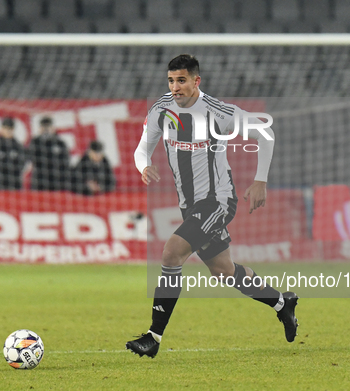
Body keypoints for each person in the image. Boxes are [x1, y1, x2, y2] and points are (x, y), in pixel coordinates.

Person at [126, 54, 299, 358]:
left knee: (171, 252)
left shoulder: (217, 112)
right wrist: (144, 166)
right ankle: (283, 304)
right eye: (171, 80)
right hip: (189, 205)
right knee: (224, 271)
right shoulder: (160, 110)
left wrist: (261, 180)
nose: (175, 87)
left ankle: (153, 337)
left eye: (181, 80)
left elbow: (264, 133)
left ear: (196, 81)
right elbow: (142, 149)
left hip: (218, 200)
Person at [27, 116, 71, 191]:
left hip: (57, 181)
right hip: (40, 181)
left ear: (53, 128)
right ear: (40, 128)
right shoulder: (34, 142)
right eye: (44, 127)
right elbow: (31, 159)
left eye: (48, 127)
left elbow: (66, 162)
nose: (46, 130)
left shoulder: (60, 143)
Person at [0, 117, 26, 190]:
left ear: (13, 130)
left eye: (10, 128)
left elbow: (21, 165)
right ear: (1, 129)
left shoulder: (19, 146)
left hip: (15, 184)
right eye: (6, 128)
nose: (8, 131)